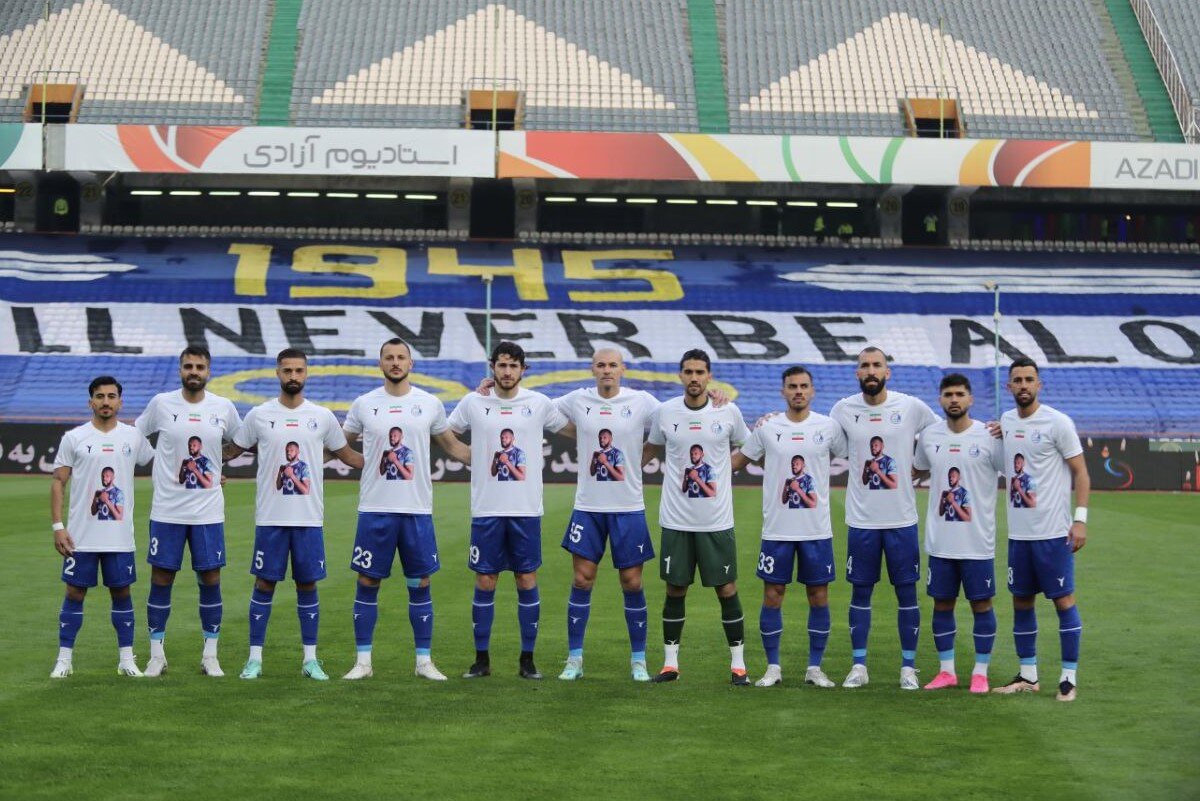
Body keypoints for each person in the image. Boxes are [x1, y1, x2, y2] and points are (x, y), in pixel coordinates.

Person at [226, 348, 364, 680]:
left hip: (308, 519)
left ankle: (310, 660)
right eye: (287, 370)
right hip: (270, 519)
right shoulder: (259, 415)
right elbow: (232, 450)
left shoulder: (322, 416)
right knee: (264, 584)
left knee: (307, 585)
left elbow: (348, 455)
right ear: (277, 373)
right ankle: (254, 659)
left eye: (298, 370)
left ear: (306, 374)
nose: (293, 376)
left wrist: (382, 462)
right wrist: (206, 463)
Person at [341, 338, 471, 681]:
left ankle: (423, 662)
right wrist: (363, 463)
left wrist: (491, 458)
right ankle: (363, 662)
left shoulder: (429, 403)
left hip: (416, 510)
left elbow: (454, 447)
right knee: (367, 580)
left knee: (420, 582)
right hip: (375, 508)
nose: (395, 362)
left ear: (411, 364)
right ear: (380, 363)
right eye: (389, 357)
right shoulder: (364, 404)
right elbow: (339, 445)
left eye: (401, 357)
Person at [447, 341, 572, 680]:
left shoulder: (539, 403)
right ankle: (481, 660)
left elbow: (575, 429)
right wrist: (469, 456)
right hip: (486, 510)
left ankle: (527, 660)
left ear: (523, 369)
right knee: (485, 580)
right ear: (493, 367)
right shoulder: (473, 402)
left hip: (525, 511)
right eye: (501, 365)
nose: (506, 371)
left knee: (526, 578)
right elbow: (444, 433)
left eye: (513, 365)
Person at [830, 346, 939, 689]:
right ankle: (858, 666)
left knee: (907, 594)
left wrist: (920, 466)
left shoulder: (910, 407)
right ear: (857, 373)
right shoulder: (843, 409)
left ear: (887, 372)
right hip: (862, 521)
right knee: (860, 594)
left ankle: (908, 668)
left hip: (901, 520)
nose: (871, 370)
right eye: (865, 365)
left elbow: (940, 434)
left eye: (877, 365)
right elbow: (827, 441)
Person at [732, 366, 847, 688]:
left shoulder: (828, 427)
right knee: (773, 595)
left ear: (812, 391)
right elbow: (737, 461)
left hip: (816, 530)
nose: (798, 391)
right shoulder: (768, 428)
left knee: (819, 596)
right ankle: (773, 668)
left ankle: (815, 668)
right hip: (777, 530)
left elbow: (857, 454)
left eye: (803, 386)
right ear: (783, 391)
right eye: (792, 386)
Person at [552, 348, 661, 682]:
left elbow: (672, 422)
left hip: (628, 507)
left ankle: (639, 660)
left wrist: (637, 461)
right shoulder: (578, 400)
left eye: (613, 365)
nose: (607, 370)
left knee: (632, 582)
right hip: (588, 507)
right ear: (592, 369)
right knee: (582, 579)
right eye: (601, 365)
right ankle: (574, 659)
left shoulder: (642, 401)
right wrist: (490, 391)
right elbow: (536, 410)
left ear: (622, 369)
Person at [644, 349, 752, 685]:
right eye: (688, 372)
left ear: (709, 376)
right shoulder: (665, 413)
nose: (694, 378)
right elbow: (651, 448)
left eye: (699, 372)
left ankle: (739, 666)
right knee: (675, 589)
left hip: (716, 522)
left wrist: (724, 470)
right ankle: (670, 665)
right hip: (676, 521)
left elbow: (750, 447)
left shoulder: (727, 411)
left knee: (726, 589)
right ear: (680, 375)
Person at [135, 346, 242, 678]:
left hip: (207, 513)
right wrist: (158, 462)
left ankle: (210, 655)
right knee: (161, 578)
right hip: (167, 511)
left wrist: (217, 466)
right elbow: (135, 435)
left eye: (199, 366)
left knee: (210, 579)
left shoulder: (223, 407)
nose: (194, 371)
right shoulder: (161, 404)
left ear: (209, 371)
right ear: (180, 370)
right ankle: (156, 656)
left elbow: (240, 441)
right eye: (188, 366)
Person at [994, 357, 1090, 702]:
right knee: (1021, 602)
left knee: (1063, 601)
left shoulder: (1058, 422)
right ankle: (1028, 675)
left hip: (1053, 534)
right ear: (1009, 386)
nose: (1023, 385)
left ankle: (1068, 678)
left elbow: (1081, 472)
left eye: (1028, 379)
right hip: (1020, 535)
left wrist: (1080, 519)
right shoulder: (1007, 421)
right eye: (1017, 380)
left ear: (1039, 384)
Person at [49, 376, 155, 678]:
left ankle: (126, 659)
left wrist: (213, 476)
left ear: (120, 402)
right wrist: (58, 526)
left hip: (119, 538)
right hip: (80, 537)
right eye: (100, 396)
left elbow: (163, 464)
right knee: (74, 593)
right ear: (90, 402)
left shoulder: (133, 437)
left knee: (122, 593)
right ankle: (64, 660)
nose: (105, 401)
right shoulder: (74, 438)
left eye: (111, 396)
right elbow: (58, 481)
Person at [912, 374, 1003, 693]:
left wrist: (1011, 433)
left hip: (977, 542)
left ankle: (981, 672)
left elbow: (1015, 468)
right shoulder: (929, 436)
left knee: (982, 605)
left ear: (970, 399)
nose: (954, 399)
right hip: (940, 542)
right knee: (942, 605)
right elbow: (917, 470)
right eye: (948, 394)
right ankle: (947, 671)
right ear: (940, 399)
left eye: (960, 394)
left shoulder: (989, 436)